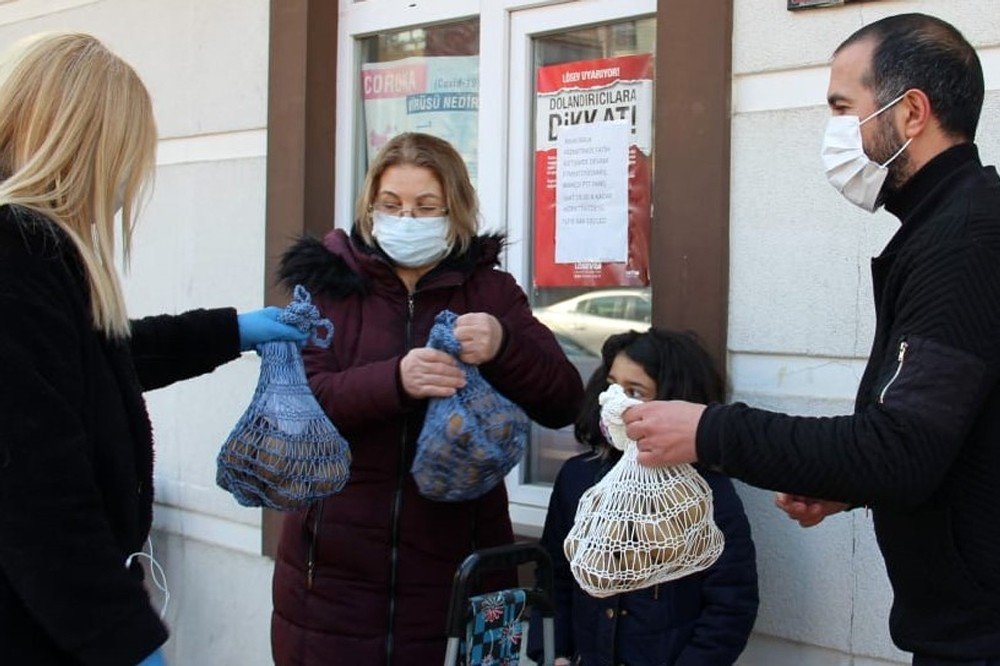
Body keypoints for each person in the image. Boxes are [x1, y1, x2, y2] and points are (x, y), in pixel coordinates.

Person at [620, 13, 1000, 665]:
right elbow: (947, 439)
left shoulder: (964, 241)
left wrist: (708, 430)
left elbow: (902, 450)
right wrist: (848, 482)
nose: (833, 131)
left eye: (842, 107)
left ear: (911, 112)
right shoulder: (947, 227)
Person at [0, 33, 308, 666]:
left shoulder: (37, 254)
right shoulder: (15, 259)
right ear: (87, 149)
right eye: (128, 158)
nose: (126, 184)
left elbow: (97, 366)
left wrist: (233, 330)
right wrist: (126, 644)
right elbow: (37, 497)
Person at [272, 131, 584, 665]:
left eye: (426, 207)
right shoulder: (325, 288)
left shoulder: (490, 291)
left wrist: (503, 346)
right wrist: (395, 380)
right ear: (370, 206)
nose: (407, 219)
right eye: (391, 205)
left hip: (464, 571)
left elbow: (564, 401)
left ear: (454, 209)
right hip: (333, 577)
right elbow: (294, 406)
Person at [529, 329, 758, 665]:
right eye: (612, 385)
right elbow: (555, 576)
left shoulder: (702, 492)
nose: (616, 402)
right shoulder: (579, 479)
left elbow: (731, 604)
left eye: (635, 392)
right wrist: (555, 653)